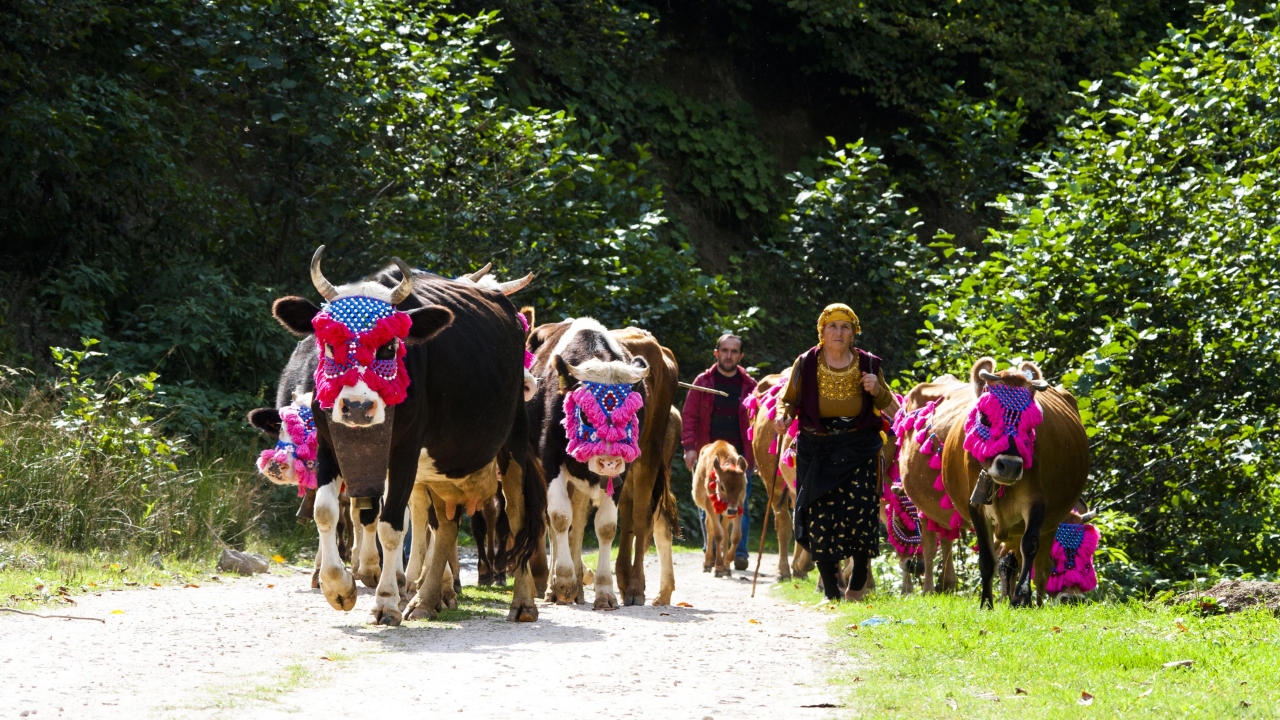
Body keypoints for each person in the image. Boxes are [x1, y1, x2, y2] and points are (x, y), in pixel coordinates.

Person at [775, 304, 892, 602]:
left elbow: (887, 401)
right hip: (818, 447)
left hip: (859, 446)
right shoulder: (806, 362)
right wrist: (783, 416)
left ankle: (857, 582)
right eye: (832, 327)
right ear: (822, 332)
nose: (838, 332)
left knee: (861, 516)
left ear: (853, 333)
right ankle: (830, 591)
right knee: (819, 517)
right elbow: (788, 400)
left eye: (845, 327)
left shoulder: (867, 363)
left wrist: (876, 388)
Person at [681, 333, 757, 570]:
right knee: (709, 503)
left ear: (741, 356)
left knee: (739, 504)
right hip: (710, 455)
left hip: (740, 457)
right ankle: (712, 552)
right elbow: (689, 416)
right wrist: (689, 448)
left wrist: (758, 455)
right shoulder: (703, 382)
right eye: (724, 350)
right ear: (716, 353)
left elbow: (758, 422)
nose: (728, 355)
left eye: (734, 351)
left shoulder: (750, 386)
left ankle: (740, 553)